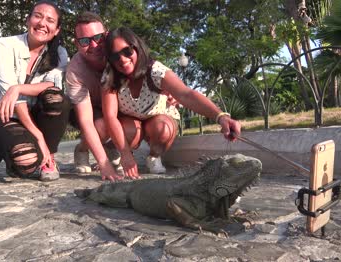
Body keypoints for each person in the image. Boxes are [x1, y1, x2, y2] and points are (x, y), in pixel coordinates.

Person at [101, 27, 242, 178]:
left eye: (127, 51)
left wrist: (221, 117)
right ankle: (123, 154)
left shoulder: (155, 70)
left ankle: (154, 156)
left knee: (163, 128)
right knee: (127, 131)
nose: (122, 59)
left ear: (137, 48)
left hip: (159, 117)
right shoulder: (110, 77)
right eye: (115, 56)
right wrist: (125, 154)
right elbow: (110, 116)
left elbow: (186, 94)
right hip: (131, 122)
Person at [0, 0, 69, 181]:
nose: (42, 23)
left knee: (57, 99)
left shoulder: (60, 53)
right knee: (26, 161)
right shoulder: (5, 45)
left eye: (50, 20)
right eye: (38, 16)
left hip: (39, 115)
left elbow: (53, 87)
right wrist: (39, 136)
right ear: (28, 20)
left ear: (56, 29)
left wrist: (17, 88)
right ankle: (13, 151)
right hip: (8, 115)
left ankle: (49, 156)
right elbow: (13, 98)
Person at [66, 12, 126, 181]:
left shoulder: (120, 53)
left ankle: (111, 146)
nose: (94, 45)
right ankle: (83, 148)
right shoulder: (74, 70)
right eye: (85, 41)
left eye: (98, 37)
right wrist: (104, 163)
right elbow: (85, 120)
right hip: (90, 108)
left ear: (106, 35)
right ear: (77, 44)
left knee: (130, 126)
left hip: (118, 105)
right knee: (102, 125)